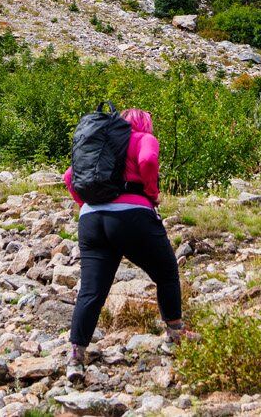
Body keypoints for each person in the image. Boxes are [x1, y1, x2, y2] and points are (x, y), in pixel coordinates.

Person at [62, 108, 186, 383]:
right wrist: (152, 194)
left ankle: (75, 357)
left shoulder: (100, 145)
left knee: (92, 291)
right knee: (166, 273)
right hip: (132, 215)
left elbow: (69, 177)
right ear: (145, 124)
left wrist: (87, 205)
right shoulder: (143, 138)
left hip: (91, 220)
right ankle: (175, 335)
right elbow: (148, 159)